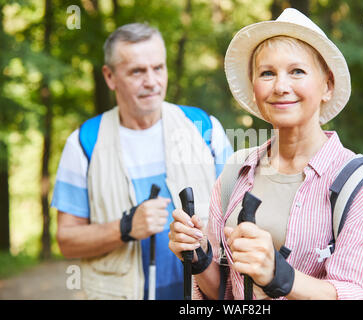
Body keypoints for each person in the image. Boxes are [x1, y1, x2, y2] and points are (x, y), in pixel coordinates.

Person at [168, 8, 363, 300]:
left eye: (297, 71)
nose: (281, 87)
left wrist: (279, 275)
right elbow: (223, 292)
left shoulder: (356, 183)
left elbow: (356, 293)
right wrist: (198, 257)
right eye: (267, 73)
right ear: (255, 89)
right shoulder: (236, 171)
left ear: (327, 86)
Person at [51, 22, 233, 300]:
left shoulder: (205, 129)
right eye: (137, 71)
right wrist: (124, 228)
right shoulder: (84, 143)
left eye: (158, 68)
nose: (152, 81)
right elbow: (67, 241)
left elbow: (235, 219)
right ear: (110, 77)